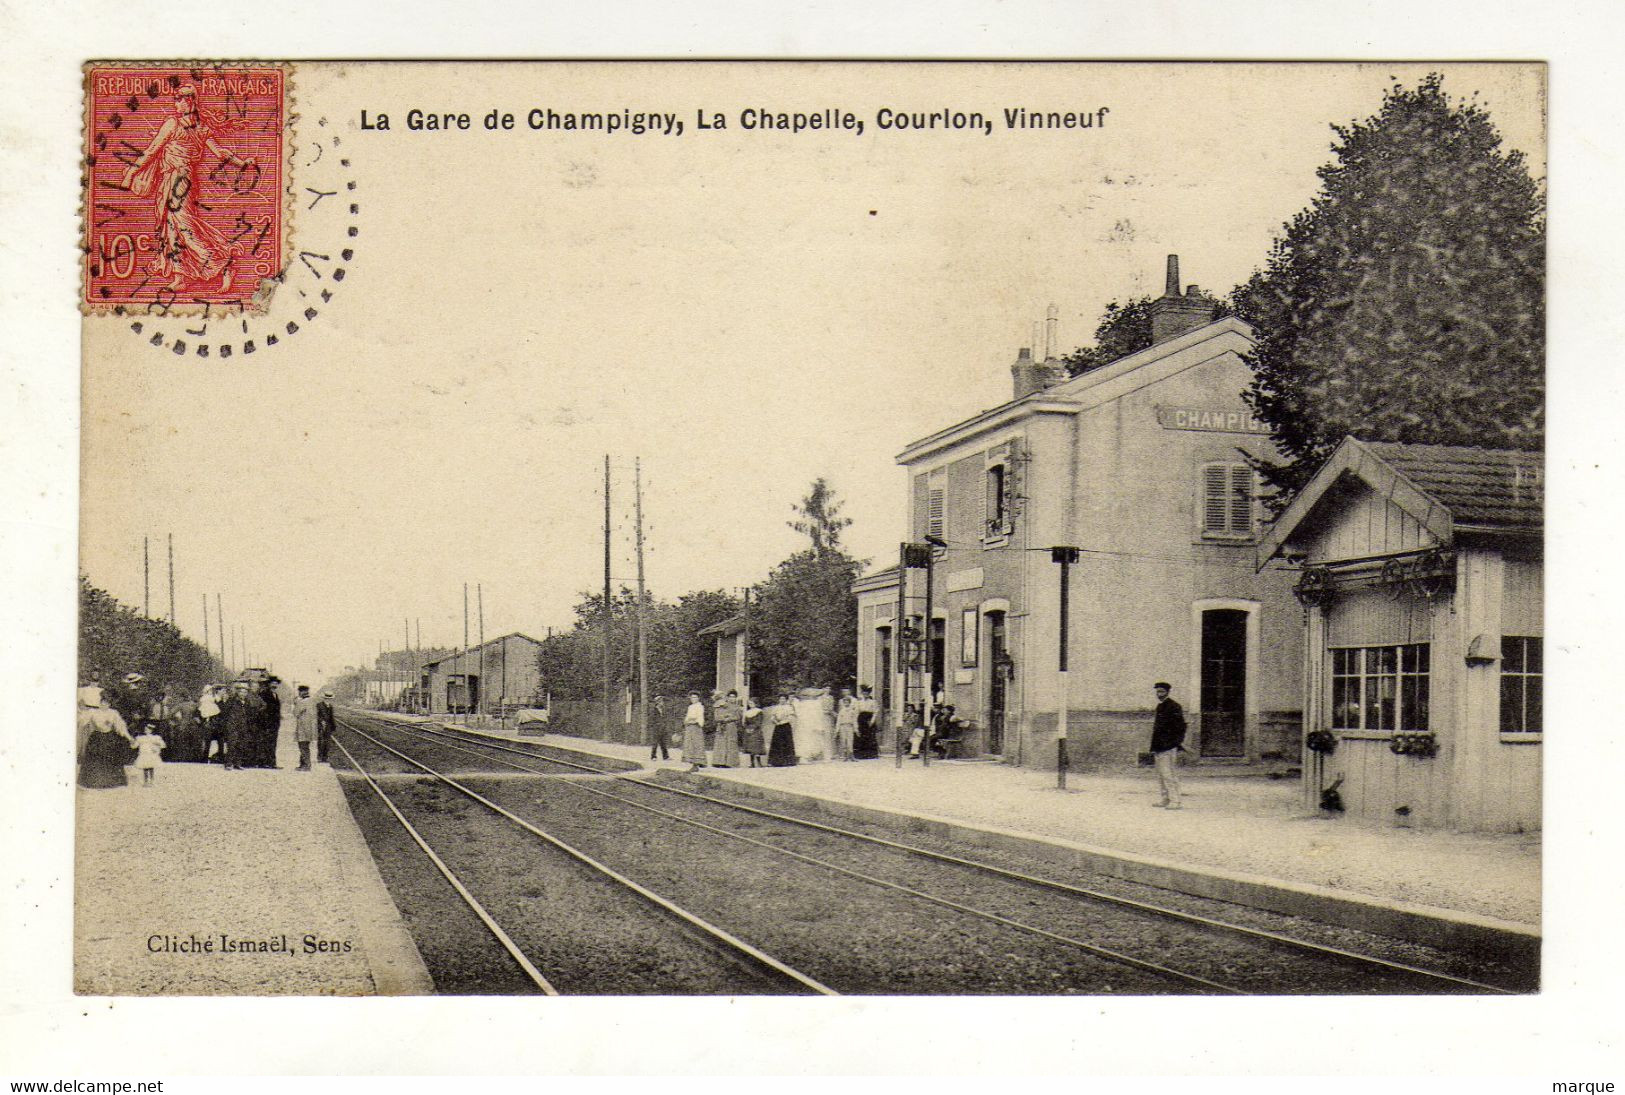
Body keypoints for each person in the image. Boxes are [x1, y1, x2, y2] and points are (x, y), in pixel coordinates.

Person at [118, 85, 253, 292]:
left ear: (189, 102)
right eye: (176, 99)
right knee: (171, 226)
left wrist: (130, 173)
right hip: (173, 179)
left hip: (181, 180)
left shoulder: (183, 125)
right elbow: (220, 153)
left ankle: (224, 264)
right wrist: (241, 162)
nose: (176, 104)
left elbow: (152, 151)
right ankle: (180, 276)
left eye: (179, 100)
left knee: (183, 226)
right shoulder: (192, 126)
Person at [77, 684, 134, 789]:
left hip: (109, 738)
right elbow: (82, 721)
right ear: (99, 703)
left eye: (107, 703)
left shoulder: (113, 713)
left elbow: (120, 726)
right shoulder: (93, 712)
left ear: (109, 704)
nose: (104, 705)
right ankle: (94, 782)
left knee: (110, 758)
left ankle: (111, 782)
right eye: (102, 702)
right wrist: (80, 712)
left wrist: (129, 737)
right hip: (97, 738)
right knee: (95, 759)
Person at [1150, 681, 1186, 809]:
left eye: (1162, 692)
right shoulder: (1160, 707)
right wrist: (1154, 747)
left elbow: (1181, 727)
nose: (1159, 694)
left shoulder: (1175, 706)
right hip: (1159, 746)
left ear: (1168, 692)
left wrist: (1175, 743)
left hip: (1168, 746)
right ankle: (1165, 798)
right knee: (1161, 774)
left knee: (1169, 774)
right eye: (1158, 692)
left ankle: (1176, 801)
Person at [219, 680, 259, 771]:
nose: (243, 694)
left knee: (241, 744)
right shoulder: (232, 701)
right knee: (232, 744)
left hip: (243, 726)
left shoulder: (247, 702)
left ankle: (238, 763)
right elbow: (225, 713)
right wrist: (228, 724)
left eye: (245, 692)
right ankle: (228, 763)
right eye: (241, 692)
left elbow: (249, 714)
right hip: (232, 726)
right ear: (238, 692)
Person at [767, 693, 798, 767]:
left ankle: (788, 761)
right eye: (781, 699)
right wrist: (776, 722)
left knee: (787, 743)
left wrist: (783, 721)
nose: (782, 700)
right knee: (777, 743)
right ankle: (776, 761)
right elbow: (772, 717)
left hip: (786, 726)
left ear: (786, 700)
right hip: (778, 726)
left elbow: (791, 717)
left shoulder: (789, 707)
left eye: (784, 699)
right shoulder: (776, 707)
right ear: (779, 700)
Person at [713, 690, 743, 768]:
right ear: (728, 697)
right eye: (730, 697)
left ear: (736, 698)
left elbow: (738, 717)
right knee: (721, 743)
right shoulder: (723, 705)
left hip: (731, 726)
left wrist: (729, 718)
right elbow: (718, 715)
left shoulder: (737, 707)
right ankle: (720, 762)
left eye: (734, 697)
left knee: (731, 744)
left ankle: (730, 763)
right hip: (722, 726)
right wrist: (723, 718)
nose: (732, 699)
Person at [257, 678, 282, 768]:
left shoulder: (276, 695)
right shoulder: (264, 694)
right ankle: (264, 762)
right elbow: (262, 710)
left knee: (273, 743)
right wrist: (265, 722)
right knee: (265, 743)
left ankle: (272, 763)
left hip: (274, 724)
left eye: (276, 684)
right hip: (266, 724)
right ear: (269, 685)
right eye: (272, 684)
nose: (274, 686)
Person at [681, 692, 708, 771]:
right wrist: (687, 721)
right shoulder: (690, 707)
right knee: (690, 745)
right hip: (689, 728)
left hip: (696, 727)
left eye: (695, 697)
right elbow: (687, 718)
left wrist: (692, 721)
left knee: (697, 745)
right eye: (692, 697)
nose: (694, 699)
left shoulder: (700, 706)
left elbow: (699, 718)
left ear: (698, 698)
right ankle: (693, 763)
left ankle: (698, 762)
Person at [292, 685, 317, 771]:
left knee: (302, 747)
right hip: (310, 728)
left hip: (303, 728)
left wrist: (295, 702)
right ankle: (303, 765)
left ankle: (306, 766)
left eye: (299, 692)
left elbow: (295, 713)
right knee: (305, 747)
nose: (299, 693)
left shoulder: (302, 702)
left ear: (302, 692)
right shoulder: (312, 701)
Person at [198, 684, 224, 763]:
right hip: (209, 721)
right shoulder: (206, 699)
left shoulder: (210, 700)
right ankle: (206, 757)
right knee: (209, 740)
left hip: (213, 721)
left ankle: (216, 756)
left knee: (216, 740)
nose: (211, 692)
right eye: (210, 690)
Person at [853, 685, 880, 759]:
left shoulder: (873, 702)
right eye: (864, 693)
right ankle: (861, 754)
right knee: (861, 736)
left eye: (867, 693)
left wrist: (872, 721)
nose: (865, 695)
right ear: (862, 693)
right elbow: (856, 713)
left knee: (870, 736)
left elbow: (875, 712)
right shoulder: (859, 702)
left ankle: (871, 754)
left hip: (869, 719)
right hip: (861, 719)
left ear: (869, 694)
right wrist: (856, 725)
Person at [740, 697, 766, 767]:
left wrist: (753, 728)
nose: (750, 705)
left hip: (756, 730)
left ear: (755, 703)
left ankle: (759, 763)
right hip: (748, 730)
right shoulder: (747, 712)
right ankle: (752, 763)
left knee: (756, 746)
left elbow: (759, 722)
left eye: (752, 703)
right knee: (750, 747)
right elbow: (745, 722)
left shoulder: (759, 711)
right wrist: (746, 728)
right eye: (749, 703)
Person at [833, 689, 857, 760]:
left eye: (848, 702)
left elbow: (854, 720)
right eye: (845, 702)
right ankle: (845, 756)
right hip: (842, 726)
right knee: (843, 740)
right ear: (843, 703)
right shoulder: (841, 711)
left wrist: (856, 729)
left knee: (850, 741)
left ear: (850, 703)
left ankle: (851, 755)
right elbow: (838, 721)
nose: (846, 704)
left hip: (850, 726)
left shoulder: (852, 711)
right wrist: (837, 730)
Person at [648, 695, 672, 761]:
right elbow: (652, 720)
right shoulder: (654, 710)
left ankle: (666, 756)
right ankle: (653, 756)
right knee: (655, 743)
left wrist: (665, 726)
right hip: (656, 728)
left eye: (662, 701)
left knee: (663, 743)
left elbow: (665, 718)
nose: (662, 703)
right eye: (661, 701)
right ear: (657, 702)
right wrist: (655, 726)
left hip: (663, 728)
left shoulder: (663, 710)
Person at [316, 690, 336, 763]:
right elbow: (316, 715)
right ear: (324, 698)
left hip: (328, 727)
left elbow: (331, 717)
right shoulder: (319, 705)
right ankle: (319, 757)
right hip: (320, 726)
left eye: (330, 699)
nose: (328, 700)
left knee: (327, 743)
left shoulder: (330, 706)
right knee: (320, 742)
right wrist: (321, 721)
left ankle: (325, 757)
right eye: (327, 698)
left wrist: (333, 726)